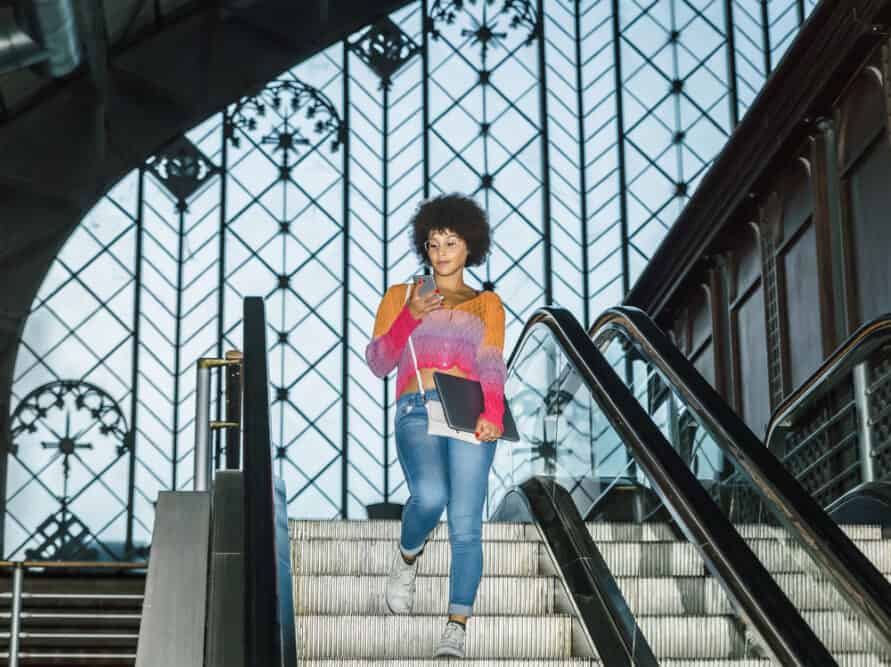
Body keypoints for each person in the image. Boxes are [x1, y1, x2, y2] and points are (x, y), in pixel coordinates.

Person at [365, 193, 507, 659]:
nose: (442, 252)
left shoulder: (487, 304)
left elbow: (491, 364)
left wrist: (494, 414)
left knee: (466, 526)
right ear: (424, 248)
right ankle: (408, 555)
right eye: (433, 243)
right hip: (417, 406)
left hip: (469, 412)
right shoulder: (400, 297)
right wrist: (410, 317)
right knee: (430, 496)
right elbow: (378, 363)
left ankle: (456, 627)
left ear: (471, 247)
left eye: (452, 242)